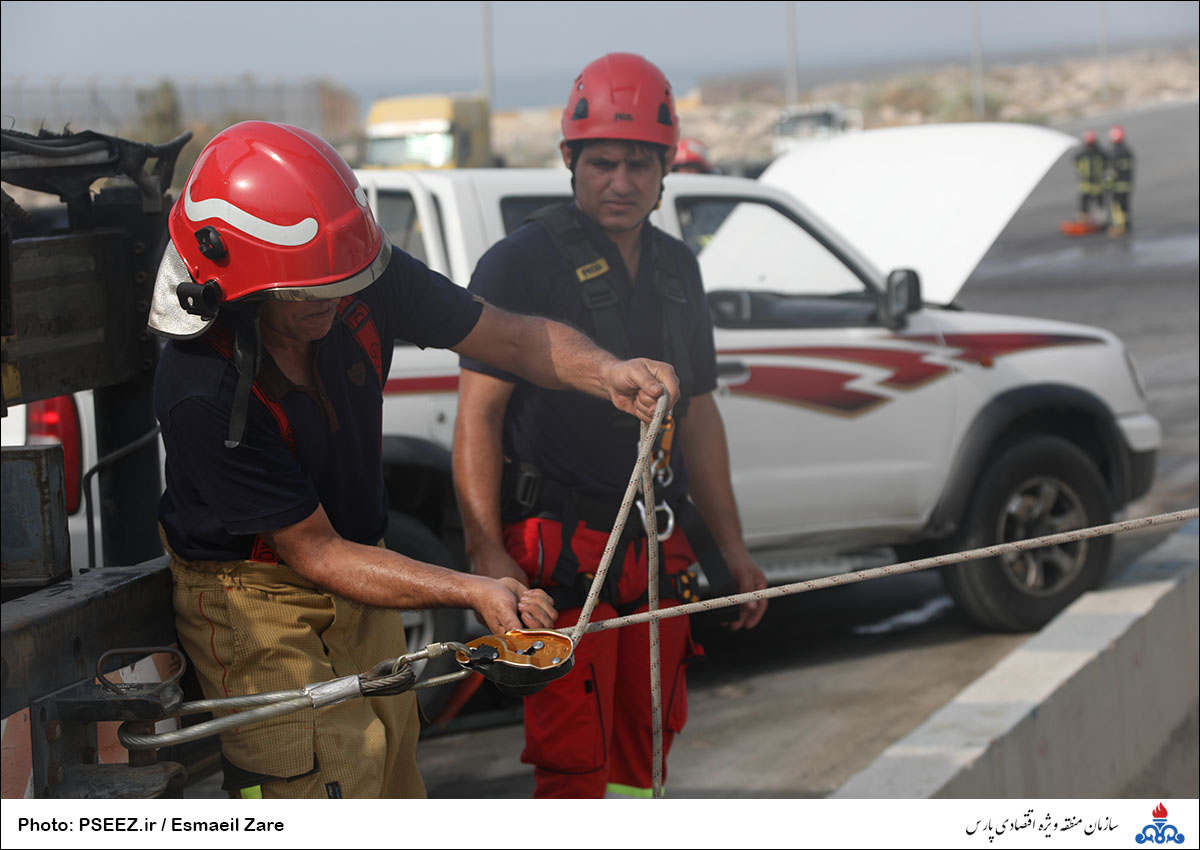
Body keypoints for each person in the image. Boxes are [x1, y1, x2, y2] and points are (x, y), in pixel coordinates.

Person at [146, 120, 679, 799]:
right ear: (238, 287)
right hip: (258, 598)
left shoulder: (353, 274)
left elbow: (509, 338)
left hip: (363, 567)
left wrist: (607, 372)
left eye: (348, 282)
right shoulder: (201, 386)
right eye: (308, 295)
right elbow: (316, 554)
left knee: (391, 768)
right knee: (322, 785)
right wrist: (469, 586)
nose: (338, 302)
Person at [453, 53, 768, 799]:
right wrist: (486, 552)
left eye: (639, 164)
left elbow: (697, 418)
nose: (620, 182)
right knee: (574, 758)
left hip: (652, 553)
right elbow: (479, 414)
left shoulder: (678, 271)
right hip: (558, 558)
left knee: (646, 747)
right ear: (569, 160)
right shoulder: (518, 265)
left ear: (666, 170)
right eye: (602, 163)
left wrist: (733, 547)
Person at [1074, 130, 1108, 225]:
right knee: (1086, 200)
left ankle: (1100, 219)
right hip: (1089, 182)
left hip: (1095, 182)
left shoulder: (1098, 153)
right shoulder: (1096, 153)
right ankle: (1087, 218)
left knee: (1096, 200)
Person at [1106, 125, 1134, 237]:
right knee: (1125, 206)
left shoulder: (1114, 153)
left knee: (1117, 207)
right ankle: (1127, 225)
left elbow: (1112, 171)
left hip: (1117, 185)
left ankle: (1120, 227)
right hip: (1127, 184)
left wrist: (1107, 184)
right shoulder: (1127, 151)